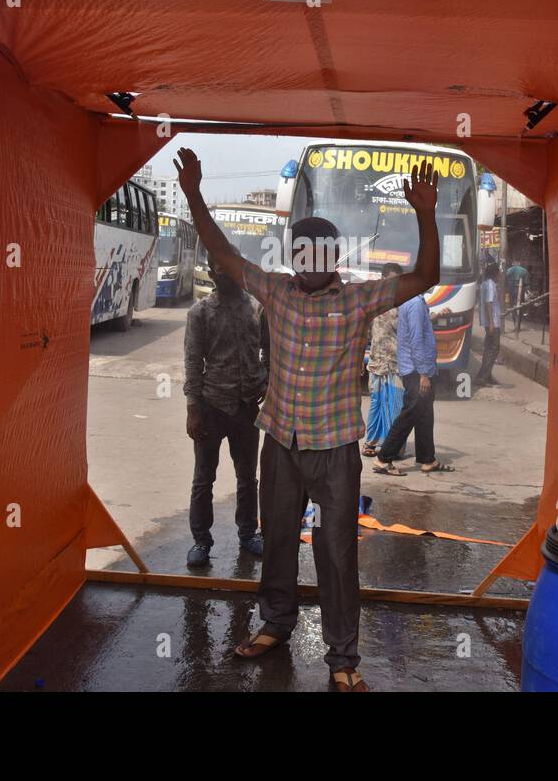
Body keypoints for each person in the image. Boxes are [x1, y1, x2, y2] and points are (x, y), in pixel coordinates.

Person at [175, 146, 439, 693]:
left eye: (318, 254)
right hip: (281, 443)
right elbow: (223, 253)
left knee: (337, 553)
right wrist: (194, 194)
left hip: (336, 449)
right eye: (301, 252)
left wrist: (426, 213)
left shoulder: (362, 300)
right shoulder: (274, 290)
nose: (308, 262)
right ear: (294, 255)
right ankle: (276, 622)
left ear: (333, 257)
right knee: (276, 541)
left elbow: (427, 274)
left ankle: (342, 657)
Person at [183, 255, 270, 567]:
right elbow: (193, 363)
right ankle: (201, 541)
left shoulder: (258, 309)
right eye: (221, 269)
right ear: (212, 273)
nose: (228, 275)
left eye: (232, 269)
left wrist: (267, 382)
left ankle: (248, 533)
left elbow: (271, 352)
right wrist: (193, 409)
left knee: (248, 478)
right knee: (203, 478)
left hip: (247, 409)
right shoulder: (200, 313)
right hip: (211, 407)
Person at [375, 277, 448, 475]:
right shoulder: (415, 304)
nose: (434, 282)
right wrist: (424, 373)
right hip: (417, 371)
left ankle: (427, 459)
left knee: (425, 414)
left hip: (419, 369)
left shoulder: (415, 302)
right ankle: (384, 458)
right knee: (410, 414)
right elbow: (416, 341)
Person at [361, 262, 404, 459]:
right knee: (376, 402)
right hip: (377, 362)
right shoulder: (373, 303)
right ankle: (371, 442)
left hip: (396, 363)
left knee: (394, 403)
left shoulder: (404, 303)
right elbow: (363, 333)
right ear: (383, 279)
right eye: (391, 280)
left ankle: (392, 446)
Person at [474, 261, 502, 387]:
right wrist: (491, 323)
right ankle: (482, 377)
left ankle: (487, 376)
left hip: (489, 321)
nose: (501, 274)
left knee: (489, 348)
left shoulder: (485, 283)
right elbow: (488, 303)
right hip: (493, 322)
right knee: (493, 349)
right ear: (495, 273)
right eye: (499, 271)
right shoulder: (490, 285)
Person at [504, 260, 530, 333]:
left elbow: (504, 280)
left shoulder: (509, 270)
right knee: (520, 307)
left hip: (512, 290)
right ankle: (518, 326)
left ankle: (515, 324)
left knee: (513, 307)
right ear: (519, 263)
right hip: (521, 291)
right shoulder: (524, 271)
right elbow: (527, 283)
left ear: (513, 263)